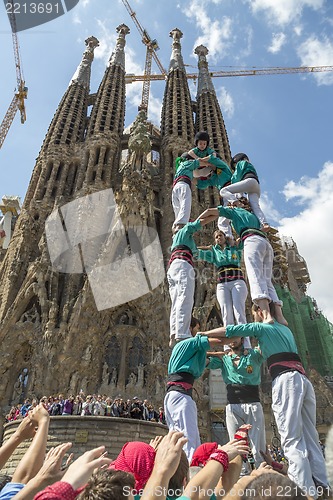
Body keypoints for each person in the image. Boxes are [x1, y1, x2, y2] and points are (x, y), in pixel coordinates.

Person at [198, 302, 330, 498]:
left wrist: (203, 335)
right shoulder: (284, 329)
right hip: (300, 379)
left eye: (254, 314)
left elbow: (231, 329)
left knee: (291, 440)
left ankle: (303, 491)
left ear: (259, 311)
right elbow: (213, 357)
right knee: (310, 436)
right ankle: (321, 486)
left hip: (281, 384)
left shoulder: (260, 331)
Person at [197, 197, 288, 325]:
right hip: (264, 241)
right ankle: (279, 315)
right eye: (216, 237)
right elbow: (265, 228)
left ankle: (266, 315)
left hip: (251, 242)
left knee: (255, 277)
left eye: (232, 203)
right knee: (267, 280)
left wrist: (194, 224)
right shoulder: (252, 215)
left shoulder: (234, 212)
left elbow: (210, 212)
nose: (230, 205)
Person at [164, 318, 224, 461]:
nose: (199, 332)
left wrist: (222, 357)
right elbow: (219, 341)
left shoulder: (185, 351)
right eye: (198, 328)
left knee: (179, 438)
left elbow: (208, 361)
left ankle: (179, 473)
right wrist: (237, 337)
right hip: (181, 395)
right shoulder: (189, 342)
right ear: (190, 328)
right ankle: (191, 475)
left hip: (174, 395)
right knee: (189, 440)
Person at [207, 337, 266, 470]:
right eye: (229, 338)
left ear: (242, 338)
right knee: (236, 444)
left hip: (253, 403)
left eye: (235, 337)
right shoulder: (224, 360)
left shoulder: (253, 355)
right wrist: (217, 354)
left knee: (258, 445)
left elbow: (265, 343)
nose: (232, 340)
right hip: (233, 405)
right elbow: (203, 359)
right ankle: (241, 476)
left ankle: (262, 475)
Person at [197, 229, 251, 350]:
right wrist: (206, 247)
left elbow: (244, 239)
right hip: (222, 283)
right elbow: (196, 251)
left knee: (239, 312)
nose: (218, 238)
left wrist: (234, 241)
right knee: (226, 314)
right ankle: (228, 346)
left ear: (225, 237)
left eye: (220, 236)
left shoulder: (234, 248)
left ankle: (246, 344)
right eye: (216, 237)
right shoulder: (214, 252)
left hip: (237, 280)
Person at [167, 215, 213, 347]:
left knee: (176, 301)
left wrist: (213, 250)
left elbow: (197, 252)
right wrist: (216, 214)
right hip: (183, 265)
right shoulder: (183, 231)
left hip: (174, 267)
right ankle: (182, 334)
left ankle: (174, 333)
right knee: (185, 298)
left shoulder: (182, 241)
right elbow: (199, 223)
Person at [219, 153, 269, 232]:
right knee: (255, 206)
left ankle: (237, 203)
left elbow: (236, 176)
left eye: (234, 166)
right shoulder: (250, 165)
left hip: (249, 181)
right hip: (255, 186)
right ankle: (264, 224)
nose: (235, 167)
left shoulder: (241, 163)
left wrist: (232, 181)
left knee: (223, 191)